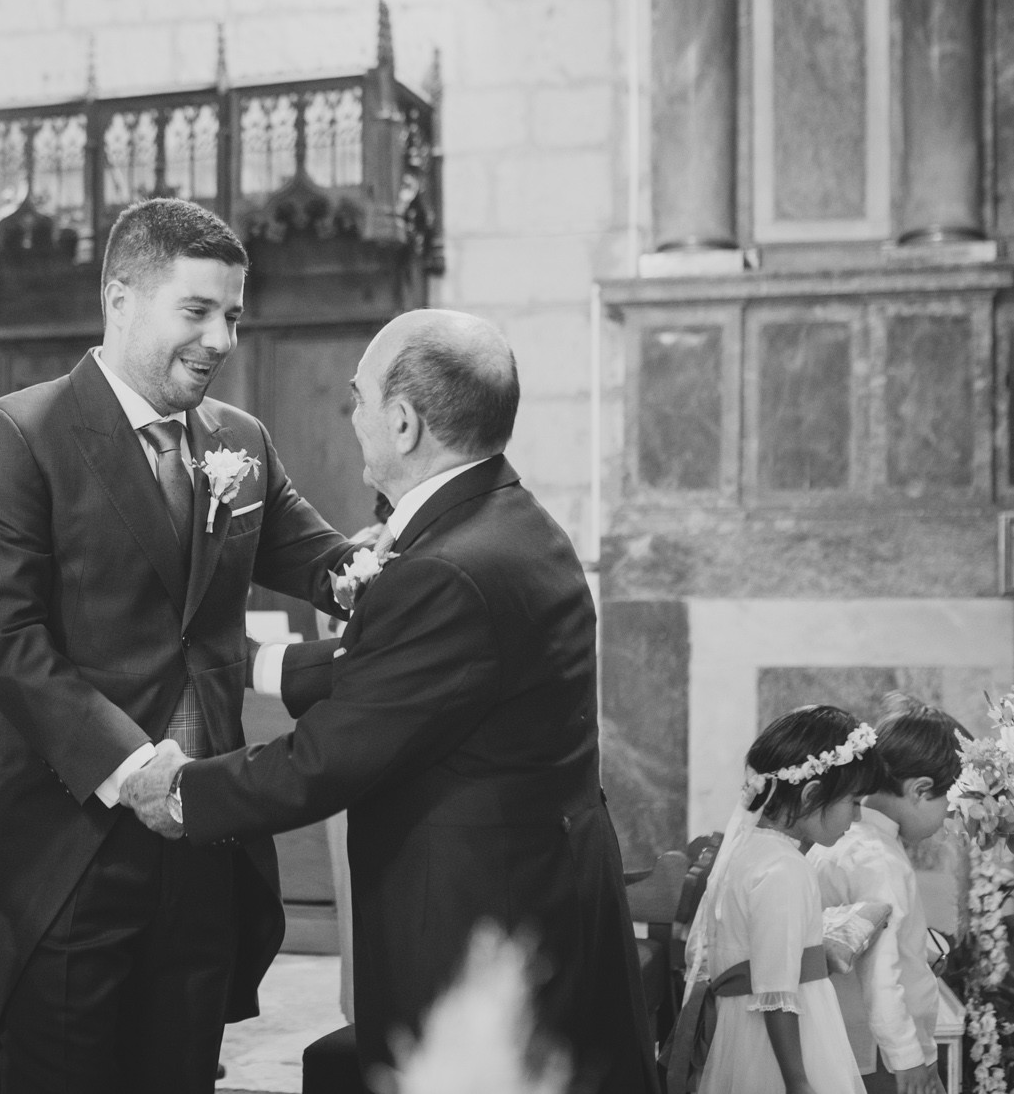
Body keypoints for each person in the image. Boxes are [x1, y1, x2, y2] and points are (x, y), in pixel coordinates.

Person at [124, 309, 662, 1093]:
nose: (354, 417)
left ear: (404, 422)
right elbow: (399, 677)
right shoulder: (511, 523)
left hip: (477, 925)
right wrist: (241, 660)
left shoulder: (446, 568)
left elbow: (327, 760)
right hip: (542, 888)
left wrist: (179, 793)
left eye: (359, 398)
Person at [0, 197, 358, 1093]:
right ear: (120, 300)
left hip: (202, 837)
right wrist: (131, 766)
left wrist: (408, 551)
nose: (221, 339)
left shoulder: (239, 442)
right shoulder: (22, 433)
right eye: (198, 311)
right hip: (74, 840)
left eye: (234, 316)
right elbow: (3, 640)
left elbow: (325, 560)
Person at [679, 706, 888, 1094]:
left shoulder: (750, 853)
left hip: (746, 1032)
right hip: (784, 1048)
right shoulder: (783, 869)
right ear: (812, 794)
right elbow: (776, 993)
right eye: (854, 802)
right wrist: (797, 1081)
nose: (856, 818)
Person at [810, 696, 966, 1094]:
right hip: (877, 1049)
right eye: (948, 810)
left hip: (854, 1035)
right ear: (920, 790)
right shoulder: (877, 857)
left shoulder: (853, 839)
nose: (945, 824)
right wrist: (908, 1058)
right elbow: (882, 971)